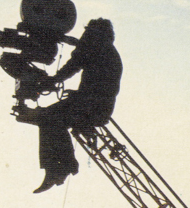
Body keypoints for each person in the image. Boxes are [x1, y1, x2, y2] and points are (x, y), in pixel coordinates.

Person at [16, 18, 123, 193]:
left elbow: (74, 64)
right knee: (49, 117)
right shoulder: (108, 50)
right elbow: (100, 82)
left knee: (48, 117)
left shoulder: (94, 44)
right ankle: (59, 168)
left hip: (89, 105)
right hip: (97, 106)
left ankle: (60, 169)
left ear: (92, 32)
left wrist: (53, 80)